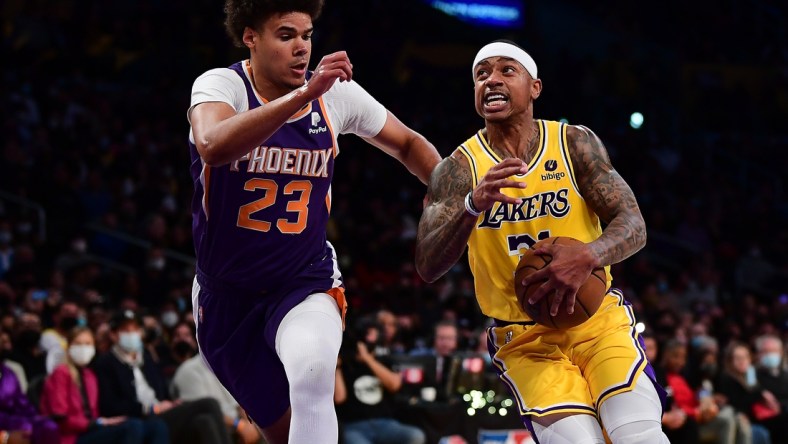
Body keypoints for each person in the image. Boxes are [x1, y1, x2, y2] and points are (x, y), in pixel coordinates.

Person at [187, 1, 440, 443]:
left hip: (302, 279)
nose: (301, 48)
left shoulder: (335, 94)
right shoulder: (221, 84)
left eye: (306, 35)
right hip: (227, 297)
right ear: (251, 38)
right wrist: (302, 96)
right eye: (286, 36)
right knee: (283, 436)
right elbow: (212, 144)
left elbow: (408, 143)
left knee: (313, 370)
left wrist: (449, 197)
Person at [415, 40, 669, 443]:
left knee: (637, 434)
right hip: (523, 339)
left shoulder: (573, 143)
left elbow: (633, 223)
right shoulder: (458, 169)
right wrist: (470, 205)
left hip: (597, 320)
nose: (491, 80)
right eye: (481, 75)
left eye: (506, 71)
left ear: (535, 87)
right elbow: (427, 265)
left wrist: (588, 255)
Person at [92, 310, 231, 444]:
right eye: (126, 330)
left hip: (163, 414)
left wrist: (172, 403)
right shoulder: (106, 363)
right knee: (209, 404)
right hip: (140, 419)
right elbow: (110, 405)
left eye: (135, 329)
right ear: (114, 334)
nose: (132, 334)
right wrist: (151, 408)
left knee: (204, 421)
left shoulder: (146, 358)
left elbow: (162, 392)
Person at [39, 327, 169, 444]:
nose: (83, 348)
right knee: (132, 426)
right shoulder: (60, 373)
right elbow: (60, 418)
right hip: (71, 436)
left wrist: (104, 422)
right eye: (78, 344)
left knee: (156, 426)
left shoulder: (89, 374)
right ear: (69, 347)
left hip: (92, 429)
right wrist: (96, 423)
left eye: (88, 344)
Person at [335, 326, 426, 444]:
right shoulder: (346, 366)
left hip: (385, 423)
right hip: (354, 426)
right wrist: (337, 367)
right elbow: (339, 398)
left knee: (415, 436)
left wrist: (368, 359)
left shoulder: (383, 361)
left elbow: (394, 385)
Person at [171, 353, 262, 444]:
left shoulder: (224, 361)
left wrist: (248, 424)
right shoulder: (187, 371)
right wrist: (239, 425)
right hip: (221, 432)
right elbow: (205, 411)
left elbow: (239, 401)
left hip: (241, 427)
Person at [0, 360, 59, 444]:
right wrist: (4, 438)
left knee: (48, 427)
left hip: (14, 424)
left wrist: (34, 421)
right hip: (4, 431)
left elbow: (23, 404)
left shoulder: (6, 372)